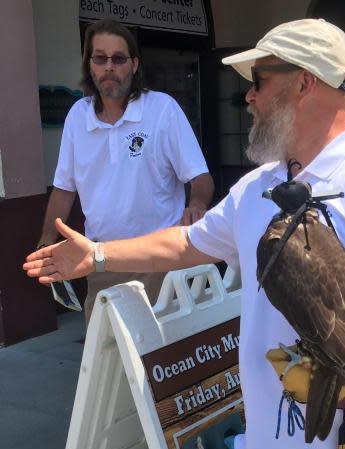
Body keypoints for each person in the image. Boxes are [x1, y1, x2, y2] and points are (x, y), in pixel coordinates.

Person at [25, 19, 345, 449]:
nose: (249, 97)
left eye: (259, 81)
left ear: (305, 83)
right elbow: (186, 245)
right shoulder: (256, 189)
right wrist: (96, 255)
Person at [36, 19, 214, 323]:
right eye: (100, 58)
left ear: (133, 65)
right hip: (103, 263)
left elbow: (200, 177)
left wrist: (196, 203)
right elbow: (64, 189)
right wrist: (46, 240)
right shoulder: (78, 117)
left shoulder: (162, 109)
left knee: (168, 362)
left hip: (161, 260)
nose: (109, 67)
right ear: (90, 65)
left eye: (118, 59)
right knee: (110, 363)